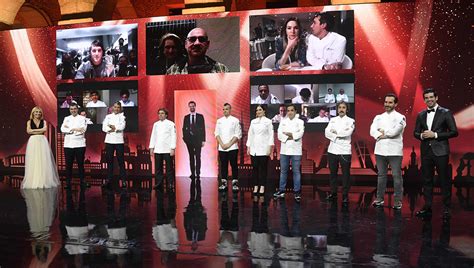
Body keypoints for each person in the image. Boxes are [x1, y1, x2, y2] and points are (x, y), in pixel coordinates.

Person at [414, 88, 458, 219]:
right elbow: (415, 133)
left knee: (444, 180)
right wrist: (422, 135)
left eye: (431, 97)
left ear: (436, 98)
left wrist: (436, 134)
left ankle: (446, 208)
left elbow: (454, 132)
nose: (429, 100)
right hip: (426, 152)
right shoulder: (421, 114)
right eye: (426, 98)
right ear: (424, 100)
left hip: (441, 151)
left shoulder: (446, 112)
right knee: (427, 180)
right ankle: (427, 207)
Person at [370, 93, 406, 210]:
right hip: (380, 150)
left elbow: (395, 132)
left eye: (390, 102)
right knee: (381, 176)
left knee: (396, 176)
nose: (387, 104)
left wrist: (383, 132)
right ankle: (379, 199)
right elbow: (372, 131)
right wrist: (380, 134)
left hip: (394, 151)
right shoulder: (378, 117)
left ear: (395, 104)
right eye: (386, 102)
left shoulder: (401, 117)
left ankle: (397, 201)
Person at [21, 107, 60, 189]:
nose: (38, 113)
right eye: (36, 112)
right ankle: (34, 180)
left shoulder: (44, 121)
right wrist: (39, 130)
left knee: (43, 159)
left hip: (42, 141)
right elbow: (28, 131)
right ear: (33, 113)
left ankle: (44, 180)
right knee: (34, 160)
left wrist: (34, 131)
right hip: (33, 141)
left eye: (39, 112)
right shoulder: (29, 121)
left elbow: (44, 130)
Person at [324, 101, 355, 204]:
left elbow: (348, 132)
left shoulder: (351, 121)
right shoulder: (332, 120)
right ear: (337, 109)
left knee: (346, 174)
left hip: (345, 151)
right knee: (333, 173)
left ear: (347, 109)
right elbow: (326, 132)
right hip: (332, 150)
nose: (341, 109)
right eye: (340, 107)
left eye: (343, 107)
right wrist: (337, 134)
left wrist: (335, 133)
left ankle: (345, 195)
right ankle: (333, 193)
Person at [273, 104, 305, 202]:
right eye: (288, 110)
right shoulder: (283, 122)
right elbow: (279, 135)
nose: (290, 112)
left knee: (296, 172)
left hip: (296, 150)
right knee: (283, 171)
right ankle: (281, 191)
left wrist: (290, 135)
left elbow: (300, 134)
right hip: (284, 150)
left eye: (292, 110)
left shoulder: (300, 122)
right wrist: (292, 136)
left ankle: (297, 192)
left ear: (295, 112)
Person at [246, 105, 274, 196]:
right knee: (255, 169)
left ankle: (262, 186)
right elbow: (250, 134)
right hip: (254, 148)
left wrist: (269, 147)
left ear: (264, 111)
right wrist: (248, 146)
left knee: (263, 169)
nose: (258, 111)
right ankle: (255, 186)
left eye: (260, 110)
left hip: (264, 148)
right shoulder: (253, 121)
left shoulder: (268, 122)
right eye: (257, 110)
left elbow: (271, 135)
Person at [60, 103, 89, 189]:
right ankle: (68, 182)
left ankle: (83, 181)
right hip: (68, 144)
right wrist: (74, 129)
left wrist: (69, 129)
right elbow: (62, 129)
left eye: (75, 109)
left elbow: (83, 130)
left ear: (77, 109)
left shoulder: (82, 118)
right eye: (71, 109)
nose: (73, 110)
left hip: (80, 144)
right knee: (68, 165)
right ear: (69, 110)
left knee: (81, 164)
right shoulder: (66, 118)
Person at [215, 103, 242, 192]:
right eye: (223, 109)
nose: (225, 111)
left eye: (226, 109)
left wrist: (228, 144)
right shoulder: (219, 121)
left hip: (233, 147)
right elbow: (217, 134)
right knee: (223, 165)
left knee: (234, 165)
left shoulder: (235, 120)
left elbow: (238, 134)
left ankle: (235, 183)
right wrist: (222, 144)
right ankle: (224, 183)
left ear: (230, 110)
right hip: (222, 147)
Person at [149, 108, 177, 190]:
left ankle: (170, 183)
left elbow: (173, 136)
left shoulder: (171, 124)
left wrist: (173, 148)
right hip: (158, 149)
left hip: (167, 149)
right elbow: (153, 136)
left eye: (162, 113)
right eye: (159, 113)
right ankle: (159, 183)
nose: (160, 115)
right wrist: (151, 147)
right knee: (158, 168)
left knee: (169, 168)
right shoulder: (156, 124)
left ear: (166, 115)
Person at [102, 102, 127, 188]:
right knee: (109, 161)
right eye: (115, 107)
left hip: (119, 141)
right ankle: (109, 179)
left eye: (118, 107)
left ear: (120, 109)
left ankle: (123, 180)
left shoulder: (122, 117)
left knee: (121, 161)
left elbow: (122, 127)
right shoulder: (108, 117)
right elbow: (104, 128)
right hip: (109, 141)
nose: (116, 109)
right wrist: (113, 128)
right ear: (112, 108)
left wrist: (114, 127)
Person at [182, 101, 206, 179]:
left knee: (198, 156)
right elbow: (183, 129)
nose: (192, 107)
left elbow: (203, 128)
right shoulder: (186, 117)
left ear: (195, 106)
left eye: (193, 106)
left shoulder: (200, 116)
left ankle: (198, 173)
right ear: (189, 107)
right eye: (190, 106)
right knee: (191, 157)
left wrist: (203, 140)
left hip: (198, 140)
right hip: (189, 140)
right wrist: (185, 139)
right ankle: (192, 173)